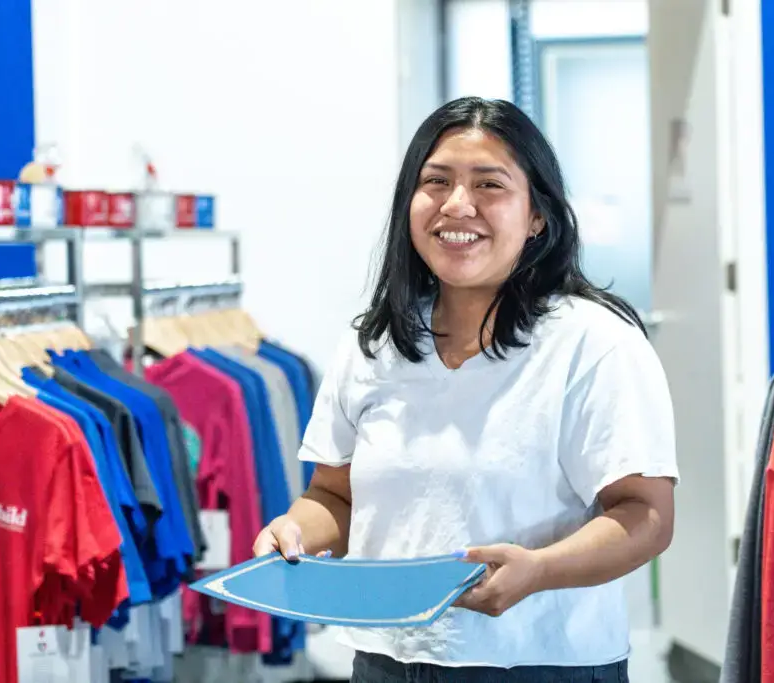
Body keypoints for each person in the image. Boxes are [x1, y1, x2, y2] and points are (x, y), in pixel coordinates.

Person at [253, 96, 678, 682]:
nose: (458, 204)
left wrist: (540, 569)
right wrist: (295, 531)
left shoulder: (595, 343)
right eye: (436, 181)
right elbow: (336, 496)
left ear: (537, 216)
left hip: (540, 663)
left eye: (489, 185)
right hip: (387, 660)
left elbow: (647, 516)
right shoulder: (375, 344)